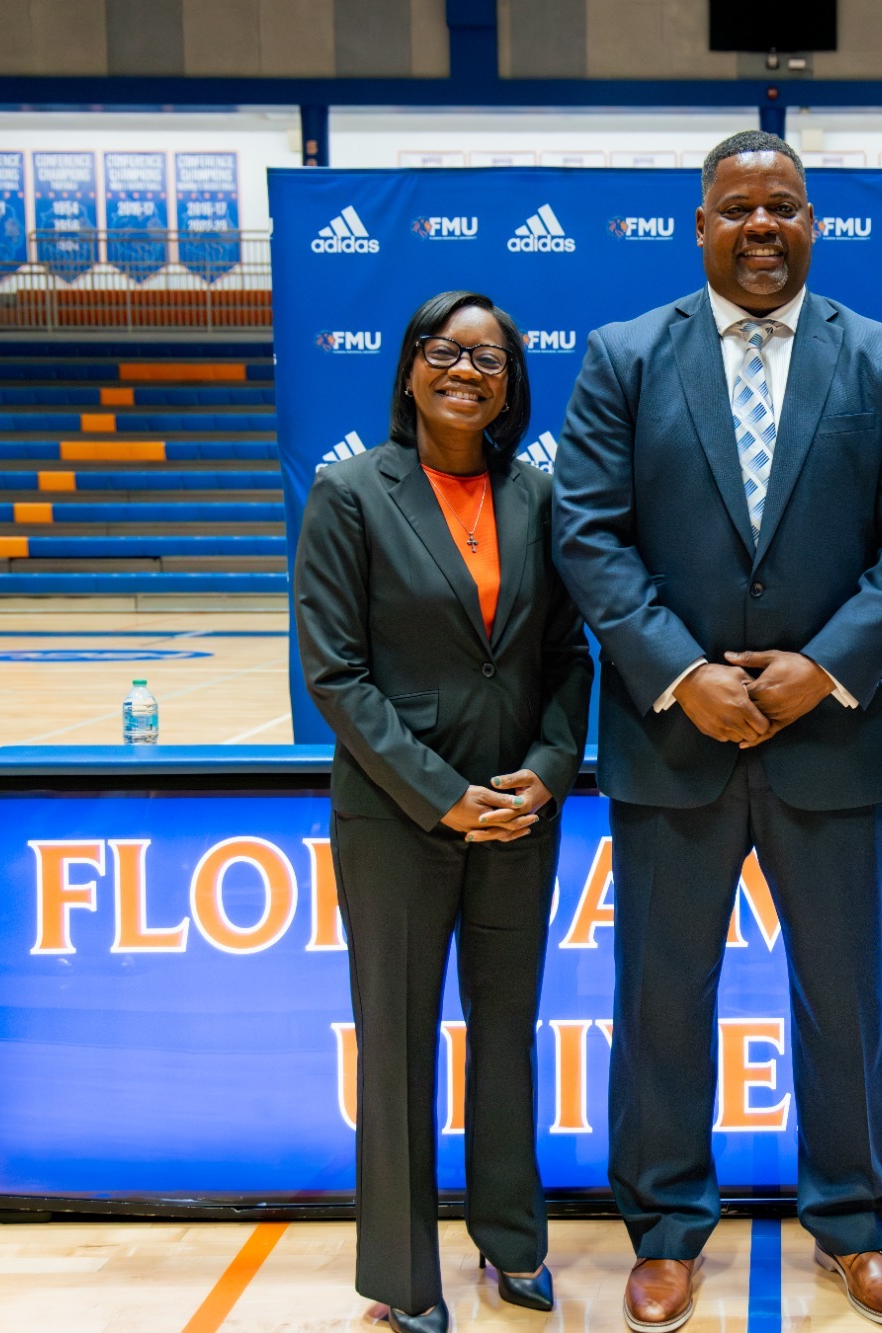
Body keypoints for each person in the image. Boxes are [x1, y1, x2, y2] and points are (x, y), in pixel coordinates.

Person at [552, 130, 882, 1332]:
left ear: (812, 221)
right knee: (662, 994)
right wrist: (683, 674)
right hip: (670, 740)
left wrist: (815, 672)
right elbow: (587, 531)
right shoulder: (624, 357)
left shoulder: (881, 360)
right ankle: (666, 1227)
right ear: (700, 225)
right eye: (737, 208)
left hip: (827, 738)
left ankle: (850, 1220)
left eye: (783, 205)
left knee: (842, 992)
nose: (762, 226)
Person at [295, 291, 593, 1333]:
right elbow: (334, 673)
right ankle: (403, 1281)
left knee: (505, 1035)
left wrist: (549, 769)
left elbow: (566, 656)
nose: (468, 371)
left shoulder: (541, 498)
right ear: (410, 368)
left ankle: (513, 1247)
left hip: (518, 812)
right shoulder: (347, 493)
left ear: (512, 385)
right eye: (446, 351)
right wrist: (439, 794)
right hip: (396, 818)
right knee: (399, 1040)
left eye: (492, 360)